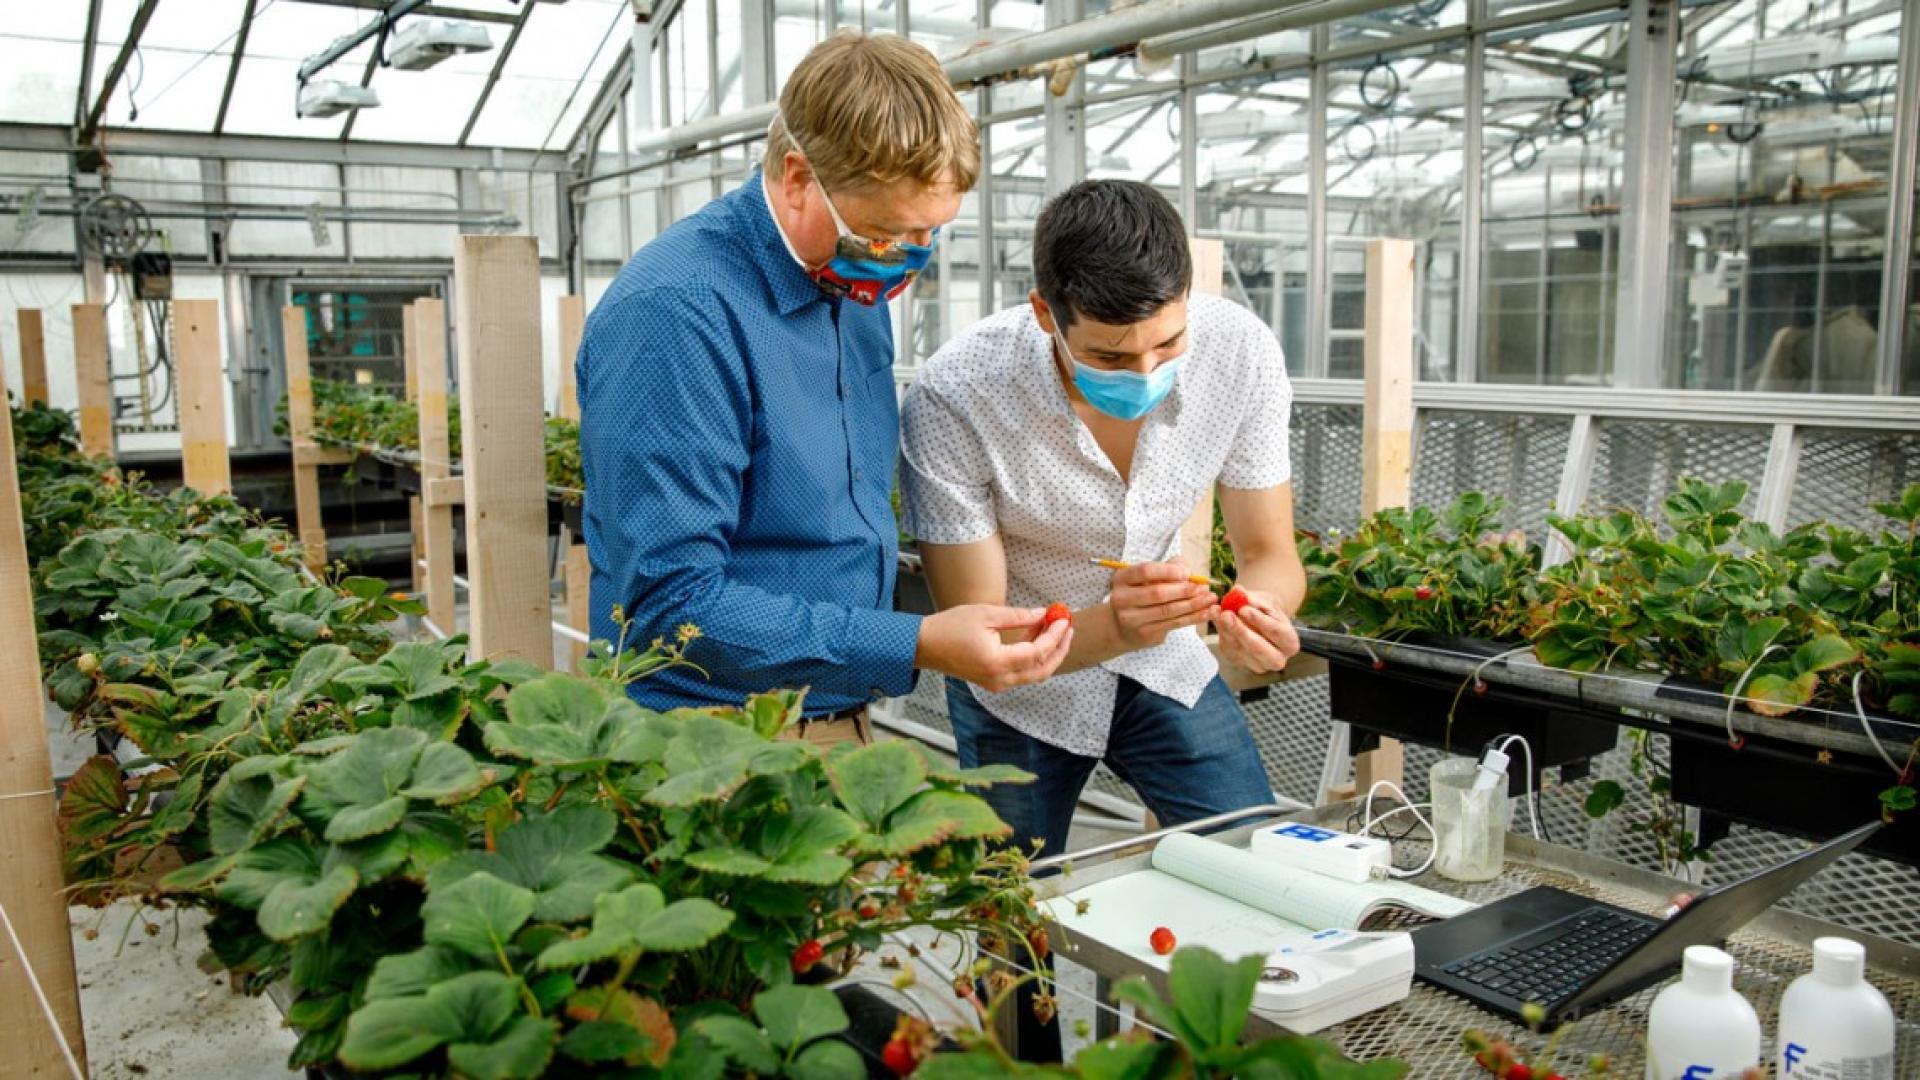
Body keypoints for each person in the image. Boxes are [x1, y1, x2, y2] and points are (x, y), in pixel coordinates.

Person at [576, 32, 1071, 746]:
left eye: (929, 235)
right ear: (798, 176)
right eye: (884, 235)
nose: (906, 262)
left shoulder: (850, 293)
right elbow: (670, 604)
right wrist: (917, 642)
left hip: (833, 715)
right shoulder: (677, 313)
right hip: (704, 739)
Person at [900, 178, 1306, 859]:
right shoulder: (957, 395)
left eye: (1169, 345)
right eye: (1109, 357)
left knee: (1254, 859)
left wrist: (1262, 612)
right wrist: (1115, 624)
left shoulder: (1242, 354)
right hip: (1020, 695)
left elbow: (1270, 551)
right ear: (1043, 313)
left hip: (1163, 661)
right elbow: (982, 633)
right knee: (1006, 923)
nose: (1144, 372)